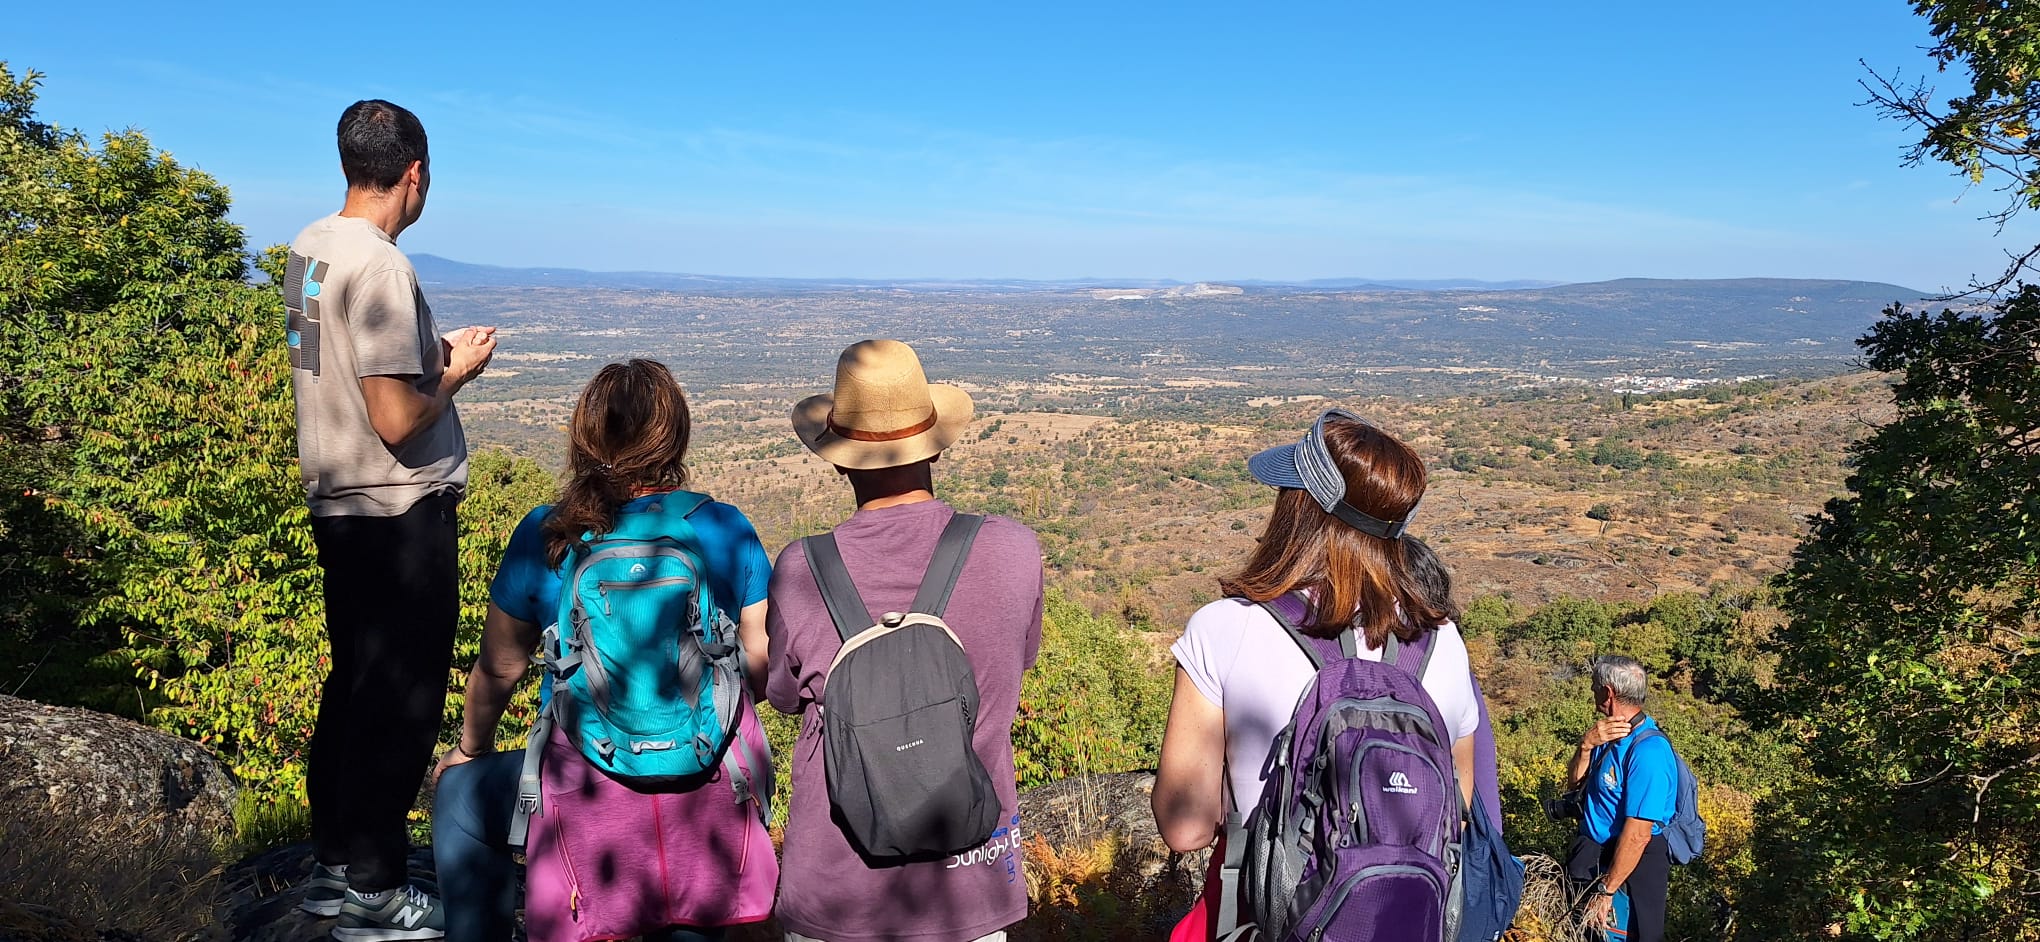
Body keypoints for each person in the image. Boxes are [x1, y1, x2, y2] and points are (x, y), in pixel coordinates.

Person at [430, 359, 776, 942]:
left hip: (583, 794)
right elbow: (758, 673)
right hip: (707, 793)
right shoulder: (726, 527)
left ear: (585, 438)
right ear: (675, 438)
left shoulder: (547, 533)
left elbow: (499, 669)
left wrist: (470, 750)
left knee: (458, 799)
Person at [287, 98, 496, 938]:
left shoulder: (311, 247)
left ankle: (334, 868)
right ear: (415, 172)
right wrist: (458, 372)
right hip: (397, 509)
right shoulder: (381, 267)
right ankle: (375, 894)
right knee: (401, 700)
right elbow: (397, 419)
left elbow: (332, 366)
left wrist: (425, 361)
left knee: (353, 685)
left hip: (339, 499)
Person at [1151, 409, 1480, 934]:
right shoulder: (1441, 640)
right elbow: (1455, 807)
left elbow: (1184, 828)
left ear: (1300, 509)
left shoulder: (1226, 627)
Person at [765, 339, 1044, 942]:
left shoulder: (801, 569)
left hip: (837, 895)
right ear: (935, 447)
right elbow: (1017, 664)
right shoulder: (1014, 551)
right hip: (969, 884)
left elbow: (783, 696)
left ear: (838, 461)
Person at [1565, 655, 1678, 942]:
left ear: (1608, 692)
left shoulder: (1649, 752)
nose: (1592, 691)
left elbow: (1638, 834)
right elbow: (1575, 785)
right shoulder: (1606, 734)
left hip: (1631, 865)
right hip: (1591, 855)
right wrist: (1586, 746)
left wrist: (1607, 890)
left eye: (1594, 686)